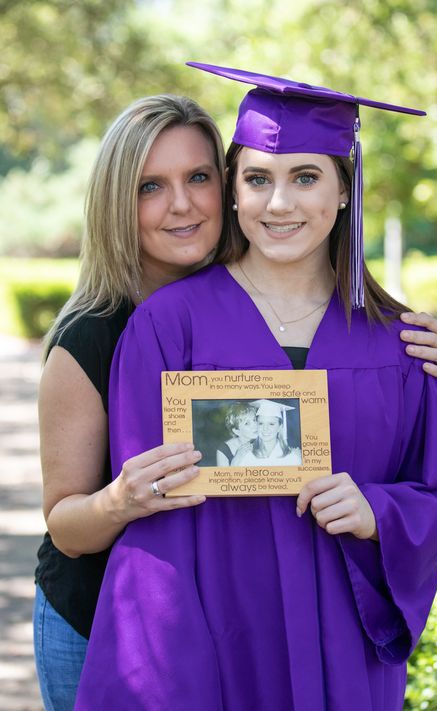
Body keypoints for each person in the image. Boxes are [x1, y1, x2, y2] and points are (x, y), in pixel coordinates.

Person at [33, 89, 437, 711]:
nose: (279, 201)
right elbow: (148, 541)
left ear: (346, 189)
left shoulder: (398, 345)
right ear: (239, 191)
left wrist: (379, 513)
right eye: (258, 178)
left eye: (306, 176)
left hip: (342, 641)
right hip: (209, 647)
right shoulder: (154, 328)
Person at [33, 93, 226, 711]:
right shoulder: (88, 336)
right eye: (150, 186)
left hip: (216, 626)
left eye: (199, 177)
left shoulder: (253, 313)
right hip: (94, 626)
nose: (181, 204)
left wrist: (415, 349)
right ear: (118, 203)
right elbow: (65, 526)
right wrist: (120, 500)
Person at [231, 399, 302, 465]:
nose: (265, 429)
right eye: (261, 423)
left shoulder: (293, 457)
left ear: (280, 427)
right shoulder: (244, 456)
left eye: (271, 424)